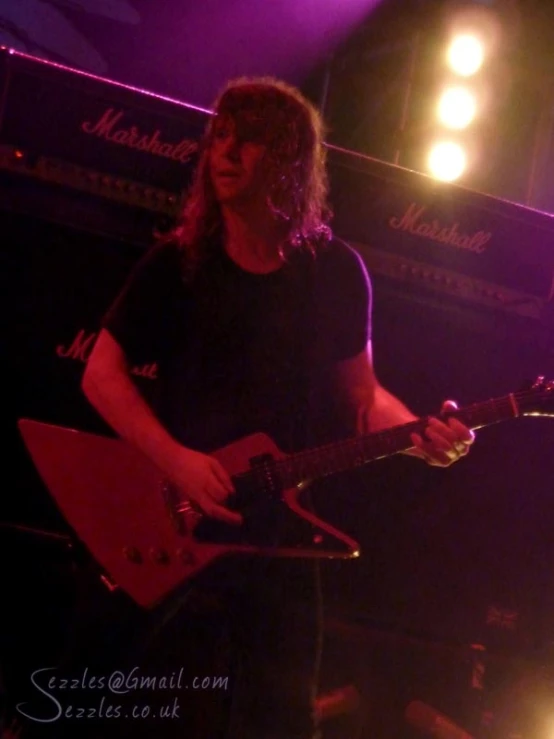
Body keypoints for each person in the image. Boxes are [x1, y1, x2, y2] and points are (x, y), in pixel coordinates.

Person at [18, 76, 475, 739]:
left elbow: (362, 396)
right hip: (168, 513)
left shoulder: (334, 271)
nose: (226, 153)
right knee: (74, 695)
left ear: (289, 158)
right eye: (221, 136)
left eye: (250, 139)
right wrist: (174, 459)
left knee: (282, 719)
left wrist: (418, 434)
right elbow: (101, 374)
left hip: (275, 522)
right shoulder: (178, 264)